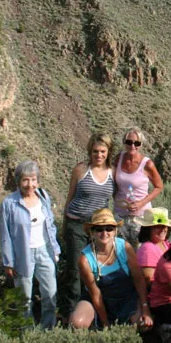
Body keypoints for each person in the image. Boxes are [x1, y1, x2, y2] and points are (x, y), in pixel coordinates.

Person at [60, 133, 116, 319]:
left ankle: (95, 312)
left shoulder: (112, 173)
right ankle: (71, 314)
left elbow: (118, 197)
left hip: (99, 228)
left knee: (98, 269)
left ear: (108, 152)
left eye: (102, 152)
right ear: (89, 151)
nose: (98, 155)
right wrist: (64, 223)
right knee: (75, 270)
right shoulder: (81, 170)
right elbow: (70, 197)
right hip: (76, 224)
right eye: (94, 151)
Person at [0, 160, 61, 329]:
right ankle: (27, 334)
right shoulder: (9, 204)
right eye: (25, 180)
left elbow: (50, 224)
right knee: (24, 299)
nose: (30, 184)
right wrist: (8, 262)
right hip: (23, 254)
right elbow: (5, 235)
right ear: (18, 181)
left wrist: (55, 249)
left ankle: (48, 330)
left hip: (45, 251)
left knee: (50, 294)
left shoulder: (43, 196)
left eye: (33, 179)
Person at [70, 209, 153, 331]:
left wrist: (145, 308)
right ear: (91, 233)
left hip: (126, 297)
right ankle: (97, 324)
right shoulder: (85, 259)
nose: (104, 233)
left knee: (144, 325)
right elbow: (95, 294)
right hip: (98, 299)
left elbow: (138, 279)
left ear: (115, 231)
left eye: (109, 228)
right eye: (99, 229)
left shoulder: (124, 247)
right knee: (77, 323)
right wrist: (105, 324)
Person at [112, 127, 164, 245]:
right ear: (124, 142)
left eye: (137, 143)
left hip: (140, 217)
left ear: (141, 145)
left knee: (138, 253)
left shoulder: (147, 164)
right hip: (119, 215)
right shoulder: (118, 159)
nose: (133, 146)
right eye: (129, 142)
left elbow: (159, 186)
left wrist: (141, 203)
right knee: (119, 251)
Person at [135, 207, 171, 287]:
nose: (163, 229)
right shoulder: (147, 248)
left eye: (165, 226)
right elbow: (149, 279)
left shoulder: (165, 244)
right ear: (148, 229)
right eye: (157, 227)